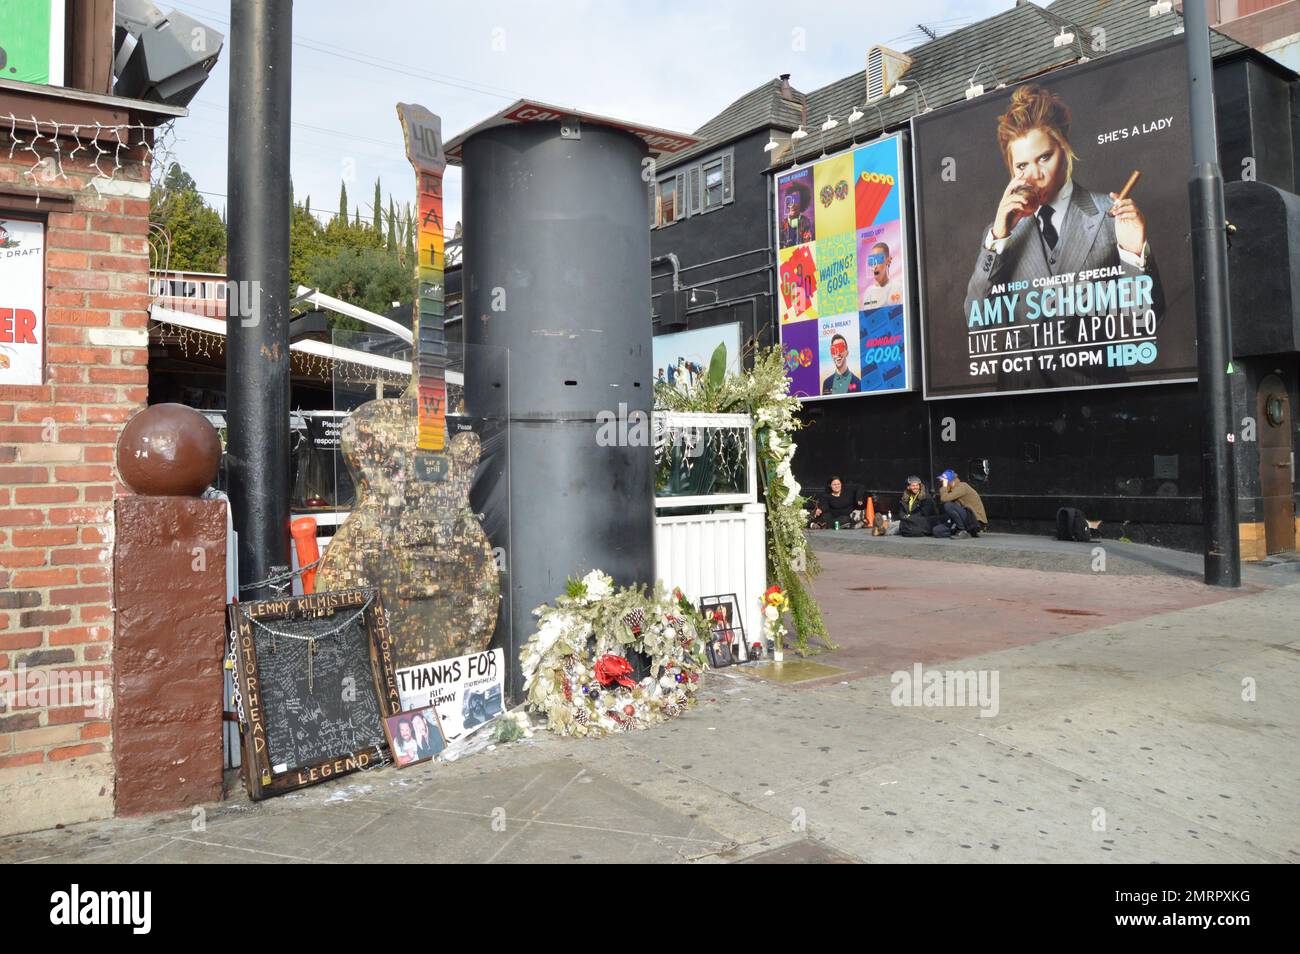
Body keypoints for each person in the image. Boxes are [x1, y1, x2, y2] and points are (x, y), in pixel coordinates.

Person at [965, 84, 1163, 329]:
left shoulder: (1111, 215)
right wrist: (997, 238)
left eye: (1044, 157)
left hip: (1092, 368)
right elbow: (976, 321)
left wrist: (1134, 255)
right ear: (1011, 170)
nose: (1034, 175)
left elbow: (1146, 322)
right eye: (1021, 166)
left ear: (1065, 149)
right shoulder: (998, 234)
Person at [937, 469, 987, 538]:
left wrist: (944, 487)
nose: (941, 483)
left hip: (974, 520)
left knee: (948, 505)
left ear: (950, 481)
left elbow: (944, 499)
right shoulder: (952, 490)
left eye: (943, 481)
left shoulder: (962, 486)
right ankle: (963, 531)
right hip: (965, 518)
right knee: (937, 531)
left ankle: (962, 530)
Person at [859, 241, 904, 311]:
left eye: (878, 259)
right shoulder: (868, 293)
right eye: (872, 261)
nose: (874, 266)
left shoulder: (899, 288)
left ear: (888, 261)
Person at [780, 179, 815, 247]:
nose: (793, 204)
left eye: (796, 199)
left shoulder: (807, 223)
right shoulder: (781, 225)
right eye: (790, 200)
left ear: (802, 202)